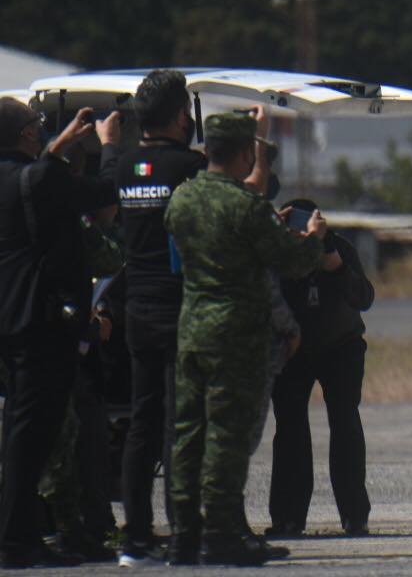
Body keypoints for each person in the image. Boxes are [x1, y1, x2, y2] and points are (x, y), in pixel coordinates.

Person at [109, 70, 269, 566]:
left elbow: (108, 182)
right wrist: (255, 140)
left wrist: (111, 145)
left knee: (142, 423)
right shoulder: (190, 168)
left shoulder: (122, 167)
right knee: (186, 425)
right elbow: (246, 192)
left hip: (137, 307)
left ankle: (134, 537)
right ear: (184, 117)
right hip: (185, 309)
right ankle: (188, 531)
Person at [164, 112, 326, 565]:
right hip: (237, 335)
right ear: (243, 154)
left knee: (187, 434)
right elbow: (290, 260)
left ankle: (183, 533)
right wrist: (313, 239)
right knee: (227, 437)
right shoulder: (245, 207)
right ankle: (221, 532)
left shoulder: (182, 200)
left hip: (192, 328)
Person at [0, 100, 117, 569]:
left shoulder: (22, 176)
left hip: (9, 314)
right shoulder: (43, 178)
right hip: (41, 320)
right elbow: (104, 192)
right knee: (35, 433)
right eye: (38, 128)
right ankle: (16, 541)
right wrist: (108, 147)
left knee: (20, 429)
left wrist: (56, 148)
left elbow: (35, 181)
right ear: (28, 136)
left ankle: (22, 533)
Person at [267, 208, 376, 539]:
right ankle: (288, 517)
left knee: (344, 423)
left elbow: (364, 298)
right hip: (292, 349)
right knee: (289, 429)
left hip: (340, 346)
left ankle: (355, 516)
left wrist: (337, 266)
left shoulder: (338, 247)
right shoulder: (276, 250)